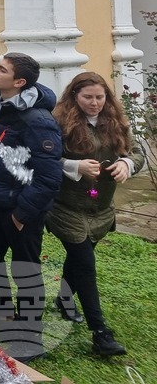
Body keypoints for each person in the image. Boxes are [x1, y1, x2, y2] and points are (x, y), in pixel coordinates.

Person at [46, 72, 144, 356]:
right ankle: (101, 333)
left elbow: (137, 153)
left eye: (100, 97)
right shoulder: (58, 122)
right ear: (74, 96)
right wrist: (74, 167)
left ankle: (64, 298)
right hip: (66, 206)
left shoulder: (117, 121)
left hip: (101, 207)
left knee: (81, 257)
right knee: (86, 265)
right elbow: (45, 156)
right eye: (87, 97)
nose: (95, 103)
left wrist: (127, 162)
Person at [0, 52, 62, 362]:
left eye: (2, 70)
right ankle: (4, 318)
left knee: (25, 268)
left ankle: (29, 337)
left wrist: (22, 213)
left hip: (20, 209)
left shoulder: (38, 120)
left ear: (19, 82)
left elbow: (49, 177)